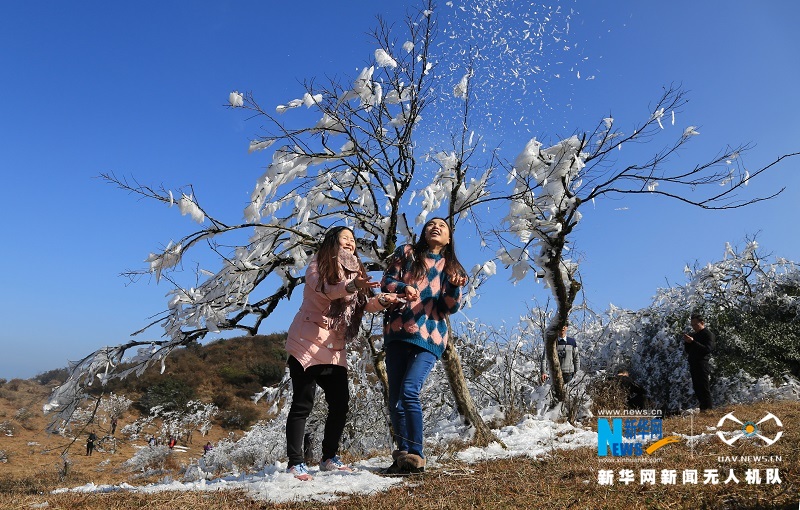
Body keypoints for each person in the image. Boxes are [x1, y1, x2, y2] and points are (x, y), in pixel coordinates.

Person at [285, 226, 402, 481]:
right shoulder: (318, 266)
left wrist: (383, 300)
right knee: (302, 404)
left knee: (340, 403)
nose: (350, 242)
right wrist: (352, 285)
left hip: (335, 346)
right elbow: (327, 289)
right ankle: (295, 462)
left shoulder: (357, 271)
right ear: (332, 243)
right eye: (344, 238)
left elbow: (365, 304)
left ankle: (329, 457)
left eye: (352, 239)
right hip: (307, 342)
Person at [380, 217, 468, 475]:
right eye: (431, 224)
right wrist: (404, 287)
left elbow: (449, 307)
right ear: (423, 232)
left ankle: (417, 455)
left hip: (430, 337)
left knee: (409, 390)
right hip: (397, 332)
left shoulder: (452, 268)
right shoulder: (407, 253)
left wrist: (452, 285)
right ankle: (403, 455)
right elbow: (387, 281)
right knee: (395, 398)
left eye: (442, 226)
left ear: (449, 238)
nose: (436, 227)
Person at [682, 313, 715, 411]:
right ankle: (703, 409)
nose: (694, 327)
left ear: (702, 323)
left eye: (696, 324)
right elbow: (689, 351)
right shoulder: (694, 335)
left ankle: (708, 409)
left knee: (704, 388)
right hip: (693, 364)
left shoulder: (708, 334)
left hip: (702, 363)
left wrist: (693, 342)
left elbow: (707, 349)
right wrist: (687, 343)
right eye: (692, 325)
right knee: (697, 388)